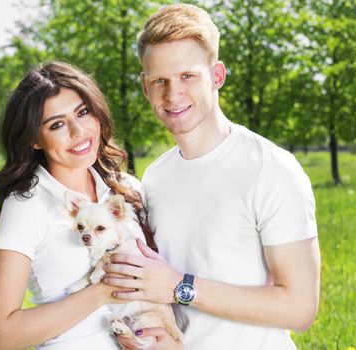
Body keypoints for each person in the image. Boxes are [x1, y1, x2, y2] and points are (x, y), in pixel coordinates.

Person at [103, 4, 321, 350]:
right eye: (159, 80)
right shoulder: (156, 177)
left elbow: (299, 308)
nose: (172, 95)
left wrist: (180, 286)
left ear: (216, 75)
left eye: (187, 76)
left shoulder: (272, 169)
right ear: (145, 88)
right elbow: (159, 287)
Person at [0, 61, 153, 349]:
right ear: (35, 139)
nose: (78, 130)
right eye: (57, 124)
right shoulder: (25, 205)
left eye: (83, 112)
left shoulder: (127, 189)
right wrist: (102, 291)